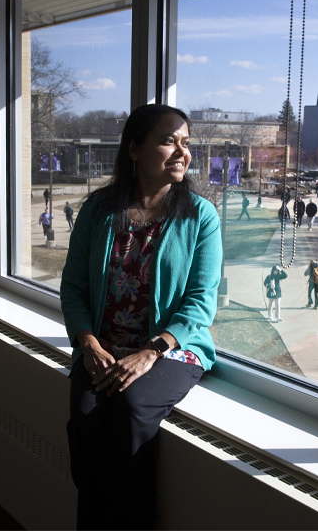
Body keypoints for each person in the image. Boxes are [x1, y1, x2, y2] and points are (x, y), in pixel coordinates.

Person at [60, 104, 221, 530]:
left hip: (171, 349)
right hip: (103, 347)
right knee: (86, 414)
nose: (182, 152)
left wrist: (152, 352)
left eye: (186, 143)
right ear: (134, 149)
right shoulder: (97, 211)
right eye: (169, 141)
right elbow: (74, 287)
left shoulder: (200, 216)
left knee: (131, 406)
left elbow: (201, 301)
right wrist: (87, 343)